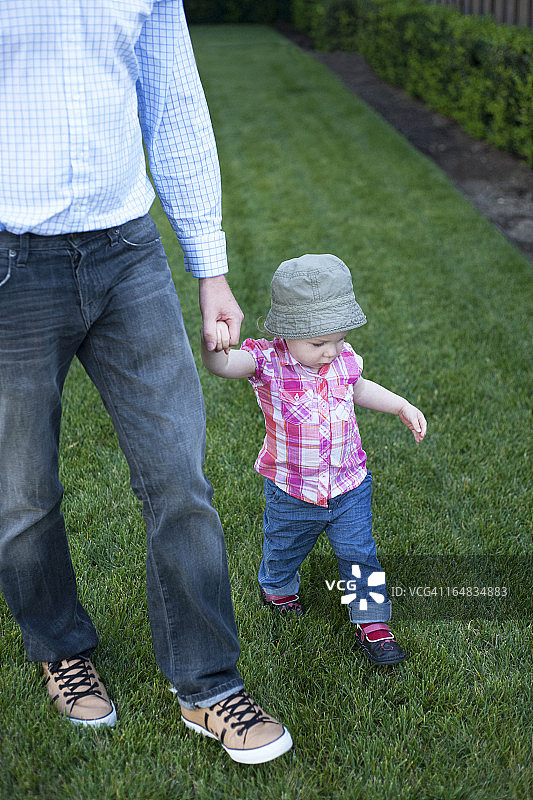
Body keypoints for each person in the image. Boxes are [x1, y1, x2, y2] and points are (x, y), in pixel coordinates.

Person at [0, 0, 293, 764]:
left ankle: (207, 684)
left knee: (178, 476)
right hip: (10, 260)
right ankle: (59, 646)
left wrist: (210, 267)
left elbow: (173, 100)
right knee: (21, 490)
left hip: (127, 253)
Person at [201, 254, 427, 665]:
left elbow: (359, 388)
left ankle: (373, 622)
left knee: (360, 553)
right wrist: (214, 345)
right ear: (286, 333)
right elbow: (224, 365)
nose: (330, 352)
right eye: (319, 344)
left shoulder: (341, 359)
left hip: (349, 485)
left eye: (338, 340)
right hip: (292, 491)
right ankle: (277, 588)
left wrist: (400, 405)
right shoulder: (267, 362)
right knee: (284, 547)